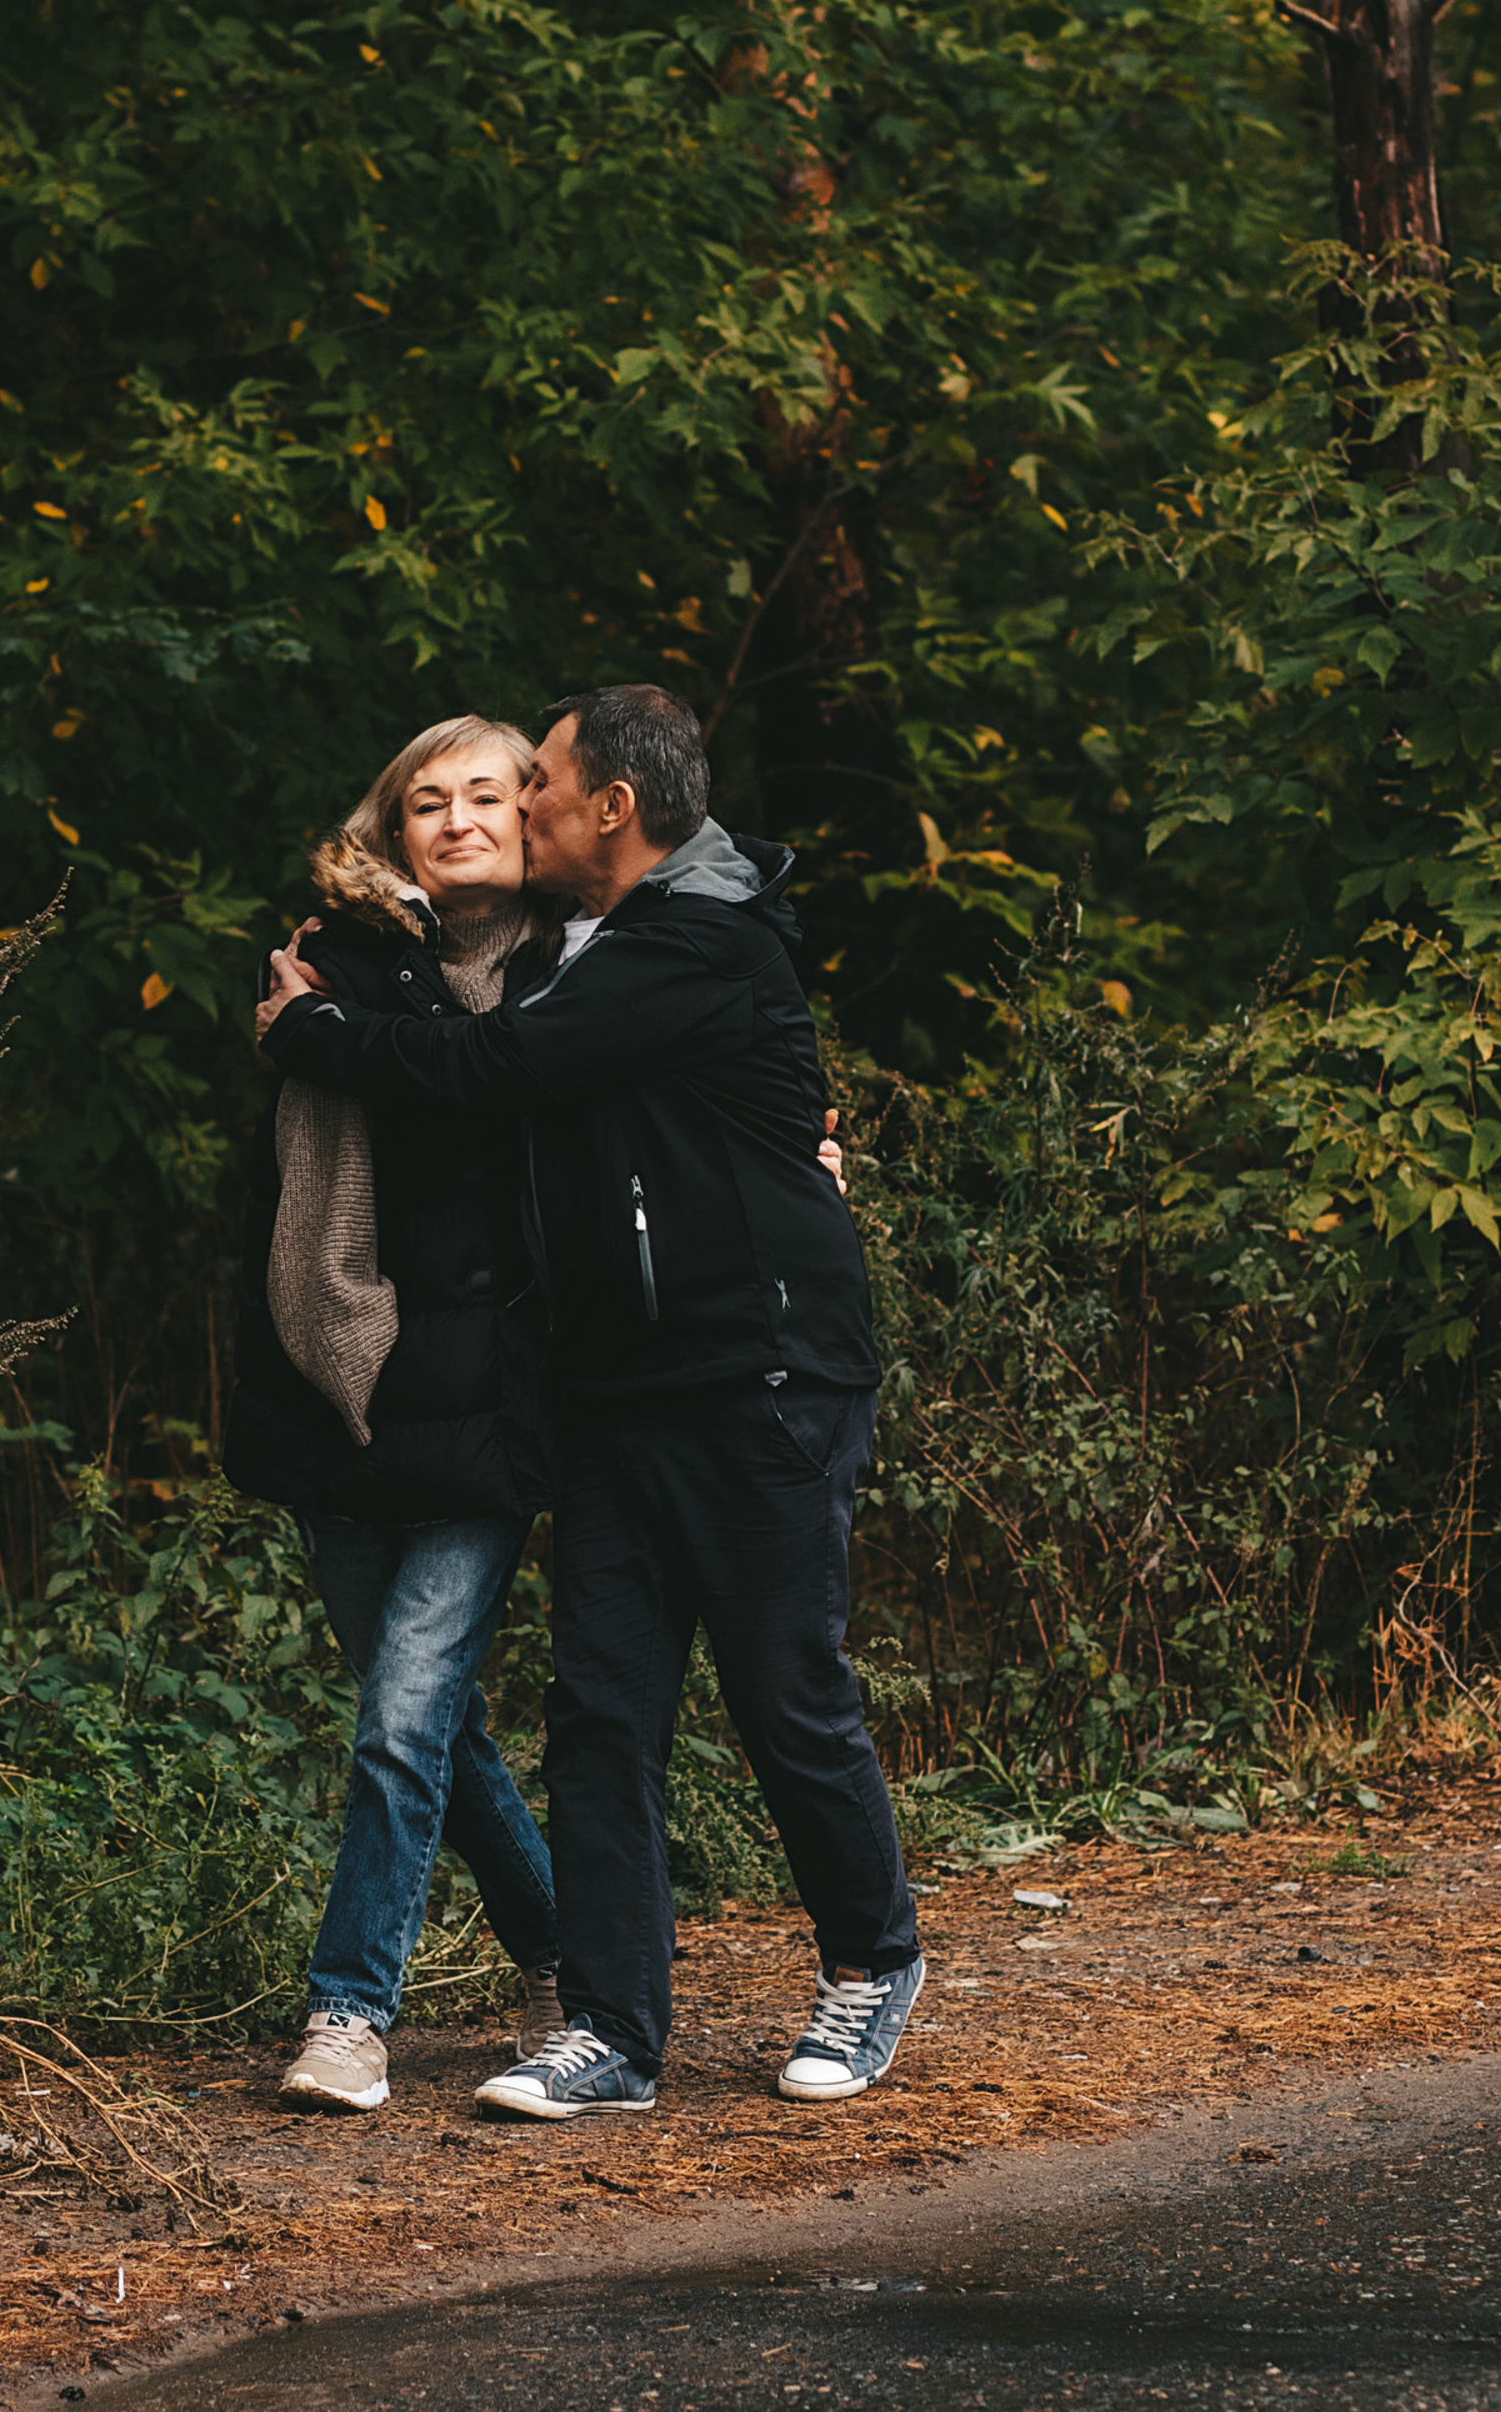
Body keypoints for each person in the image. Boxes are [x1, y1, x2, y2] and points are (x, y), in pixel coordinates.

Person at [255, 684, 924, 2119]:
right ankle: (612, 2029)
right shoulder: (582, 947)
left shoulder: (695, 940)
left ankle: (872, 1961)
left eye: (538, 786)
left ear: (611, 809)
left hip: (759, 1378)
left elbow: (503, 1070)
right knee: (602, 1716)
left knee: (786, 1696)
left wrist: (313, 1033)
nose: (517, 806)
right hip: (612, 1395)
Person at [224, 715, 567, 2113]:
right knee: (427, 1726)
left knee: (402, 1722)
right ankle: (570, 1956)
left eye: (487, 794)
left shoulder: (577, 968)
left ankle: (349, 2014)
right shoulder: (335, 961)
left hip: (492, 1402)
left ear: (536, 817)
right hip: (332, 1387)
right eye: (429, 801)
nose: (460, 819)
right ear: (393, 830)